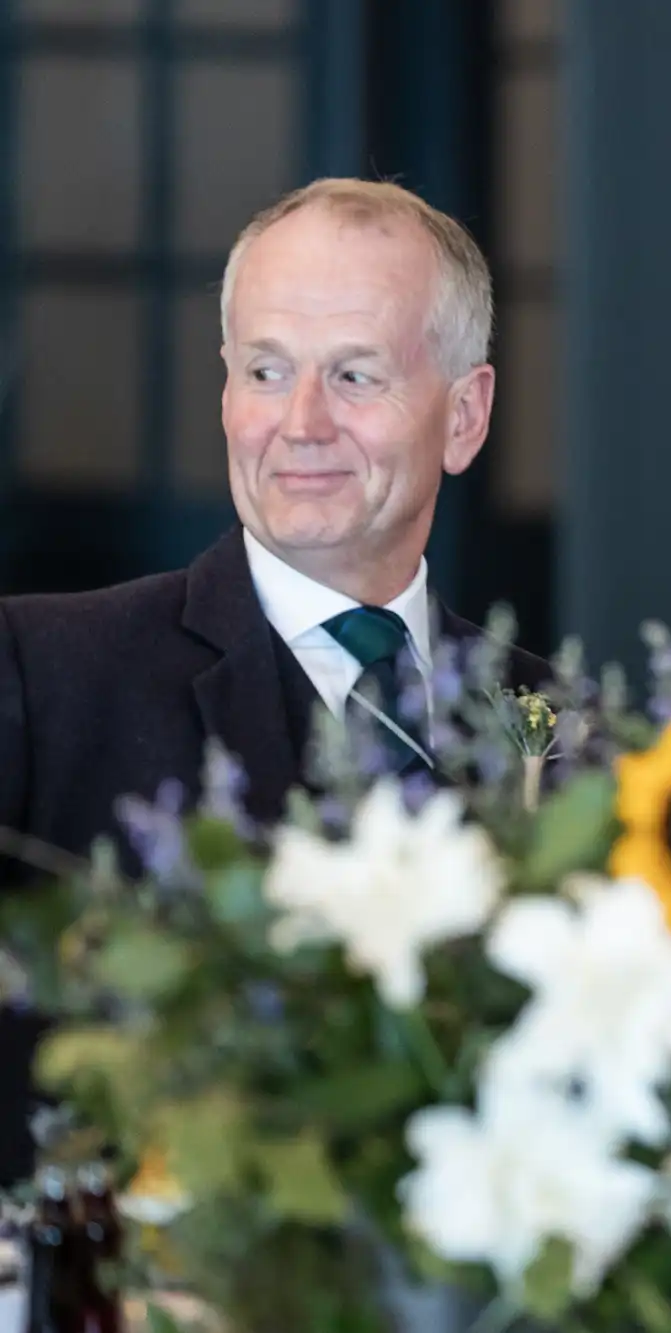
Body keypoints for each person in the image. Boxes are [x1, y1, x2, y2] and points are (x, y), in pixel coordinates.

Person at [0, 178, 546, 1176]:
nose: (298, 422)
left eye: (353, 376)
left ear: (463, 417)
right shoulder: (40, 675)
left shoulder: (564, 731)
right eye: (265, 369)